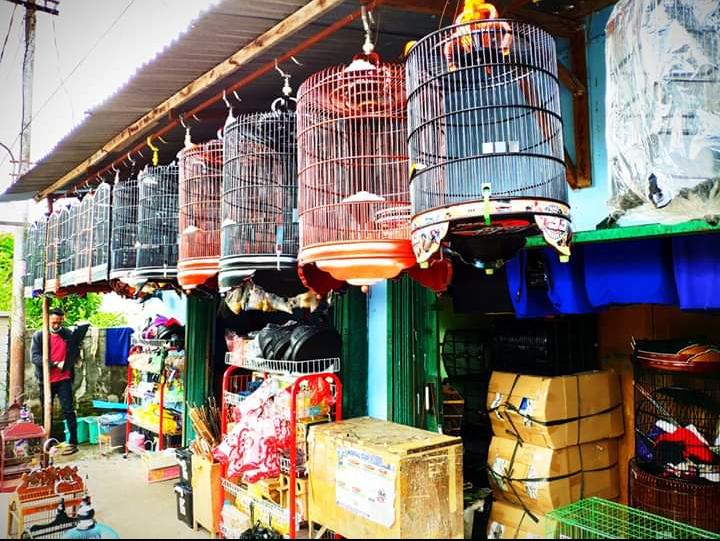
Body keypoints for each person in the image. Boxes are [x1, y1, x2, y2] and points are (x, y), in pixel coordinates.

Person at [30, 308, 90, 456]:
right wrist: (56, 363)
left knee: (69, 410)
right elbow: (35, 358)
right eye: (54, 322)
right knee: (46, 412)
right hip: (46, 380)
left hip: (64, 379)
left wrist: (77, 348)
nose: (56, 325)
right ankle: (47, 442)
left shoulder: (67, 334)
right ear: (47, 320)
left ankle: (73, 443)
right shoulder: (39, 336)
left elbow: (73, 354)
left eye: (59, 322)